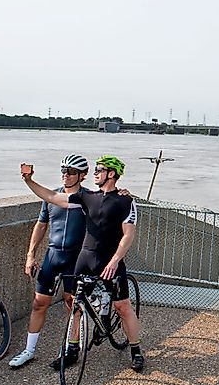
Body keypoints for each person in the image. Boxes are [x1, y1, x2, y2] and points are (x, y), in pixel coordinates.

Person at [20, 155, 145, 372]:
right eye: (95, 169)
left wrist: (116, 260)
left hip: (111, 260)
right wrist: (29, 181)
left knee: (123, 307)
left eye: (100, 169)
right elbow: (52, 197)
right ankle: (72, 350)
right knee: (75, 304)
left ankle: (136, 350)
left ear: (112, 174)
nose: (95, 172)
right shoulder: (88, 197)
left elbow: (128, 235)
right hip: (85, 258)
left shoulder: (125, 200)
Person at [9, 154, 89, 369]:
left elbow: (111, 203)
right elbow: (41, 225)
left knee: (72, 303)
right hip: (53, 255)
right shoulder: (51, 197)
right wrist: (30, 255)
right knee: (38, 303)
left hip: (77, 257)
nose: (65, 175)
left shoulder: (88, 198)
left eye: (71, 172)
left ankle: (72, 348)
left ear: (83, 175)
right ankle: (29, 350)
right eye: (63, 170)